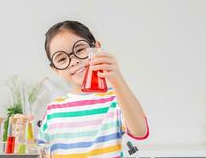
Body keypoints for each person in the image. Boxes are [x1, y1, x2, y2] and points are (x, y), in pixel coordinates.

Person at [38, 20, 149, 157]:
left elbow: (140, 131)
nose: (74, 61)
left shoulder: (116, 100)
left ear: (96, 48)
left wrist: (117, 79)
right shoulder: (52, 111)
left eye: (79, 50)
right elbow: (40, 150)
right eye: (61, 59)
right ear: (55, 70)